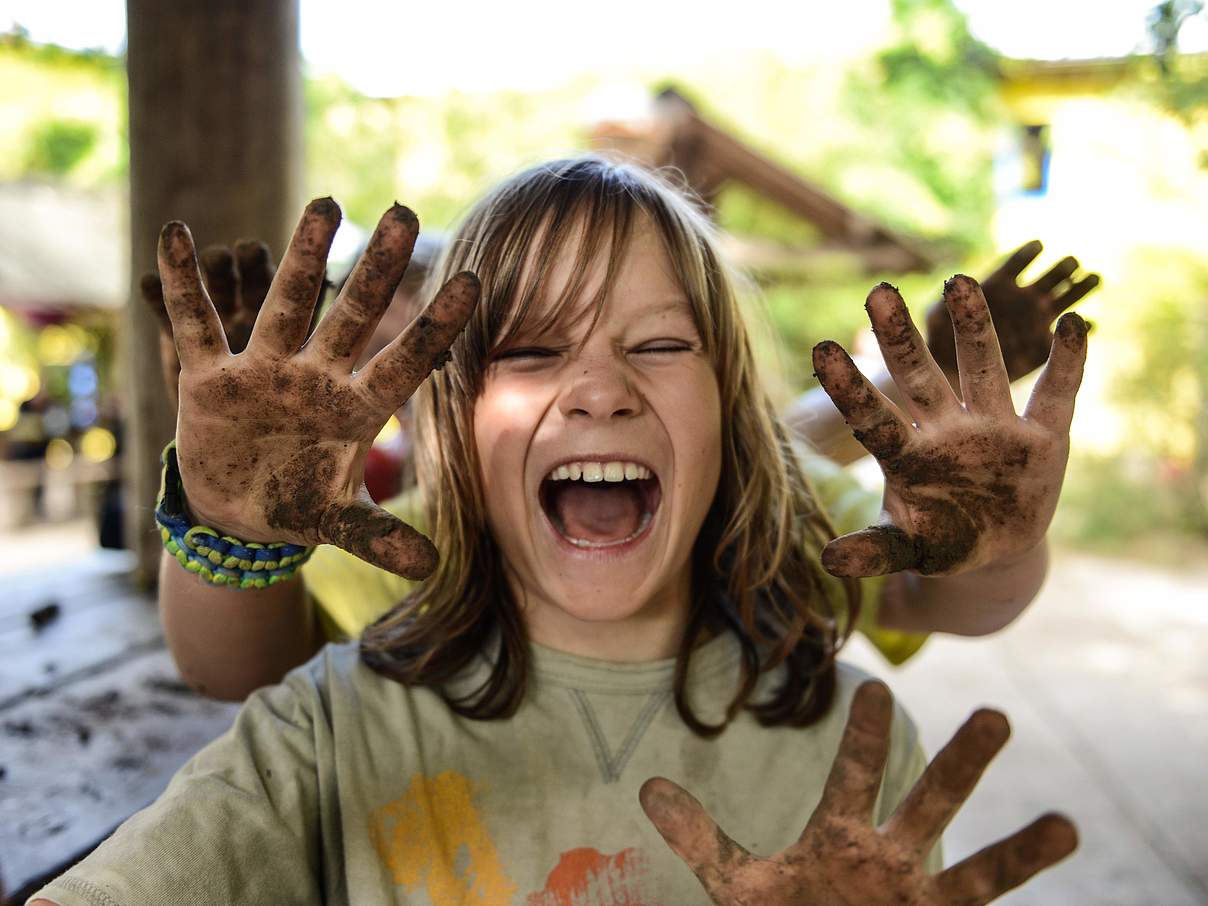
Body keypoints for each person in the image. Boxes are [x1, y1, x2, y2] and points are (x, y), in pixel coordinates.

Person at [33, 156, 1086, 904]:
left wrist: (991, 531)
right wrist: (231, 527)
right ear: (446, 413)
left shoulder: (847, 738)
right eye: (531, 350)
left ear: (728, 410)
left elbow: (943, 588)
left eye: (660, 343)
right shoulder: (352, 692)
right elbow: (228, 664)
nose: (596, 389)